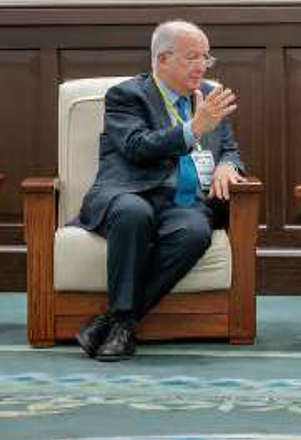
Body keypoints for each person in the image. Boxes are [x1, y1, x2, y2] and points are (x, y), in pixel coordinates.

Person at [73, 20, 245, 361]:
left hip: (183, 202)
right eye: (192, 57)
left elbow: (228, 147)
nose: (201, 66)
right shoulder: (127, 96)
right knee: (134, 214)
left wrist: (229, 166)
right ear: (161, 60)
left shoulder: (210, 95)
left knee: (196, 232)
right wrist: (193, 128)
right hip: (129, 191)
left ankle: (116, 319)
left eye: (206, 58)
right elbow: (137, 146)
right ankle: (122, 325)